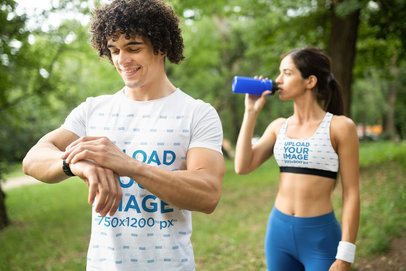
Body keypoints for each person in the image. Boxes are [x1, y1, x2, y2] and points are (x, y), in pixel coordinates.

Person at [22, 0, 225, 270]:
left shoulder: (197, 113)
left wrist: (129, 165)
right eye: (114, 50)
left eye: (133, 48)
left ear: (161, 46)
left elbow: (208, 194)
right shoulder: (93, 109)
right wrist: (75, 165)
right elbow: (33, 159)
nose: (121, 59)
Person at [234, 47, 360, 271]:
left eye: (287, 73)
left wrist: (345, 256)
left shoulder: (340, 127)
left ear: (310, 81)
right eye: (279, 73)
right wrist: (250, 112)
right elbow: (242, 166)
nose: (278, 80)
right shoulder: (278, 127)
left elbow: (351, 193)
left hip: (320, 238)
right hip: (278, 234)